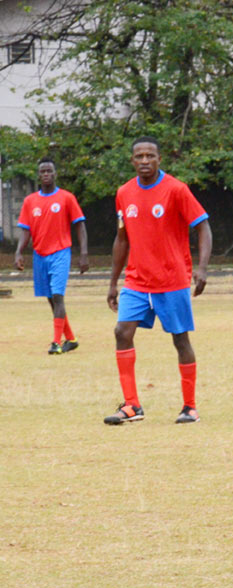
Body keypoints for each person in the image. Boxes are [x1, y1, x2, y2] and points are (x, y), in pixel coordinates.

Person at [104, 136, 212, 425]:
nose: (144, 161)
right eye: (139, 156)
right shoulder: (124, 193)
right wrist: (114, 281)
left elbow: (203, 226)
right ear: (132, 160)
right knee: (121, 331)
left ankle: (190, 407)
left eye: (150, 156)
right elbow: (121, 238)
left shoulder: (176, 189)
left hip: (172, 279)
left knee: (180, 340)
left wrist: (201, 268)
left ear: (159, 159)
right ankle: (131, 406)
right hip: (137, 281)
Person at [14, 158, 89, 354]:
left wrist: (84, 253)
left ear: (55, 174)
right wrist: (19, 252)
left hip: (61, 252)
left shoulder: (66, 198)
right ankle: (70, 339)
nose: (46, 174)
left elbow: (79, 225)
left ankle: (56, 343)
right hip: (40, 255)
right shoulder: (30, 201)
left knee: (57, 295)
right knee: (50, 298)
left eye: (49, 171)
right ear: (39, 176)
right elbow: (25, 229)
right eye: (43, 171)